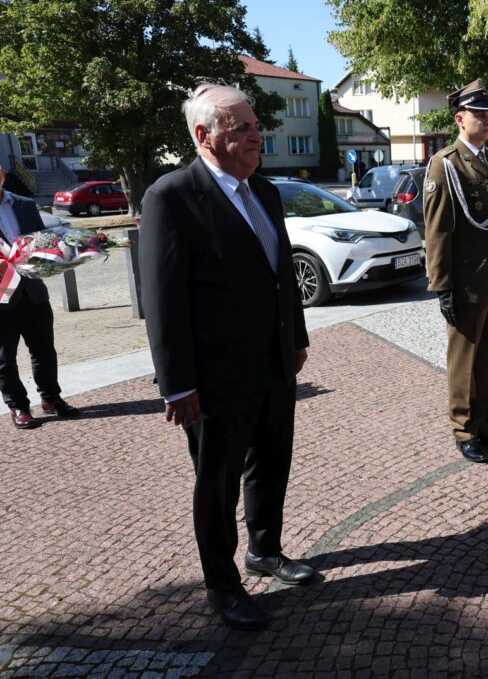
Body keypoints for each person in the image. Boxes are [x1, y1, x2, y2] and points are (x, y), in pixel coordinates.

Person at [140, 84, 313, 630]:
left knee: (272, 464)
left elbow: (280, 271)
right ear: (204, 136)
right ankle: (222, 584)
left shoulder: (264, 190)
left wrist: (297, 336)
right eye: (240, 128)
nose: (256, 135)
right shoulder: (171, 196)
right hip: (214, 380)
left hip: (273, 364)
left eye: (255, 125)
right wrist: (177, 385)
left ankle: (265, 550)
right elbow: (162, 300)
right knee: (216, 485)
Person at [423, 79, 488, 464]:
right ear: (460, 119)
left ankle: (485, 423)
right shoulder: (445, 165)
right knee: (464, 361)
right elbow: (438, 230)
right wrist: (442, 285)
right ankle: (464, 430)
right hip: (466, 283)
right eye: (479, 114)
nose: (486, 120)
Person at [0, 165, 80, 429]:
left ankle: (51, 398)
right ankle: (19, 407)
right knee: (4, 358)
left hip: (33, 290)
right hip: (1, 295)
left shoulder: (23, 204)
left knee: (44, 350)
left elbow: (41, 240)